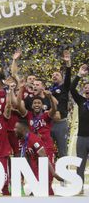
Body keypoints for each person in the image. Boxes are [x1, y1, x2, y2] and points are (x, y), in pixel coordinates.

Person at [17, 89, 57, 195]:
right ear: (32, 105)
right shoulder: (29, 115)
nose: (37, 104)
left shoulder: (46, 116)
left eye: (39, 103)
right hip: (34, 148)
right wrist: (19, 89)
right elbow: (18, 105)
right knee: (35, 170)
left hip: (47, 147)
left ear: (42, 105)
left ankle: (47, 191)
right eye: (35, 103)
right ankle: (37, 190)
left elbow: (54, 109)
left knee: (48, 172)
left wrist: (50, 98)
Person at [14, 119, 63, 195]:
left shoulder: (33, 139)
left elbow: (44, 157)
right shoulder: (23, 140)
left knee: (45, 192)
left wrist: (53, 173)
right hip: (36, 169)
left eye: (16, 128)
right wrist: (22, 175)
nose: (14, 130)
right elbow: (26, 158)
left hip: (45, 167)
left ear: (22, 129)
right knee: (41, 192)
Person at [70, 64, 89, 194]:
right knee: (80, 165)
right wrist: (79, 75)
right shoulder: (81, 101)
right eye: (86, 88)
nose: (87, 89)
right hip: (82, 138)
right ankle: (79, 187)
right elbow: (71, 88)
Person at [49, 50, 71, 158]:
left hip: (61, 123)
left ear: (62, 78)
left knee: (62, 151)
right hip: (50, 122)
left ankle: (64, 173)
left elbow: (68, 76)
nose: (54, 76)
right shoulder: (49, 90)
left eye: (57, 74)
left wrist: (68, 63)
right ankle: (49, 173)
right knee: (49, 150)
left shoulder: (65, 87)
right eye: (53, 75)